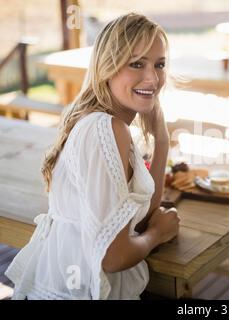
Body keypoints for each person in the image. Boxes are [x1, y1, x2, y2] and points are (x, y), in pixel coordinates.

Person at [6, 13, 180, 300]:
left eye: (159, 64)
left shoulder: (103, 122)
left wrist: (161, 141)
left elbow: (137, 221)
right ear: (107, 68)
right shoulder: (106, 128)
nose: (153, 78)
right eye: (136, 63)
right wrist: (156, 236)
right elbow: (113, 256)